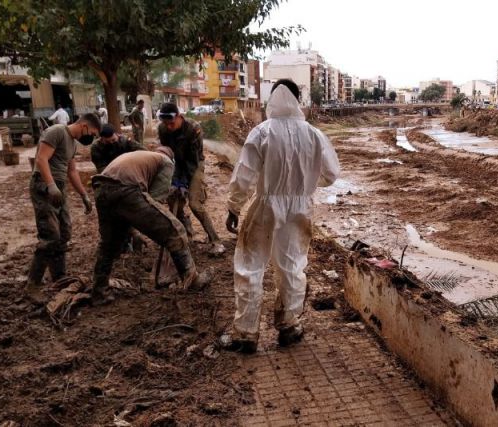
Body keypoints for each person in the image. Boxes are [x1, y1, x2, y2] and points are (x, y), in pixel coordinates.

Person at [221, 79, 340, 353]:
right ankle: (289, 326)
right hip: (299, 208)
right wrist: (306, 185)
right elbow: (331, 174)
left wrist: (233, 206)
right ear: (298, 100)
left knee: (250, 267)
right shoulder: (314, 134)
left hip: (265, 206)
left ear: (272, 99)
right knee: (292, 267)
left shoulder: (262, 132)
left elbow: (244, 176)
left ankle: (246, 335)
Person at [91, 147, 209, 302]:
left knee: (109, 244)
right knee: (175, 230)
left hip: (101, 188)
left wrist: (133, 230)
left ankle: (99, 290)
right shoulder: (166, 162)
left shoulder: (140, 156)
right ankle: (192, 279)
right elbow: (155, 200)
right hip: (126, 189)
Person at [26, 113, 102, 302]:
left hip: (59, 187)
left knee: (64, 233)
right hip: (44, 186)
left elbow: (72, 171)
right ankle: (33, 285)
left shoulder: (73, 143)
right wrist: (50, 185)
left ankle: (59, 276)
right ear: (84, 125)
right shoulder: (56, 132)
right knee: (50, 235)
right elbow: (41, 159)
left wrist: (84, 195)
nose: (91, 137)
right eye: (92, 133)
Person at [157, 102, 224, 255]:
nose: (168, 127)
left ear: (180, 117)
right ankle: (187, 235)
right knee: (174, 200)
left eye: (171, 123)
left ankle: (216, 240)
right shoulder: (163, 129)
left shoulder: (194, 129)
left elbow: (192, 160)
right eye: (165, 123)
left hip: (195, 164)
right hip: (174, 163)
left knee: (195, 204)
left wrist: (184, 183)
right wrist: (174, 181)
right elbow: (168, 156)